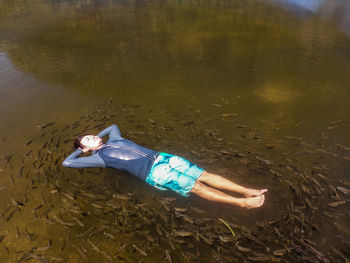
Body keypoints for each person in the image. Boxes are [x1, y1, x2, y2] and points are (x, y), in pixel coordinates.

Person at [62, 124, 267, 208]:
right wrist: (82, 149)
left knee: (204, 174)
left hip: (165, 158)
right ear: (86, 149)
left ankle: (247, 191)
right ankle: (241, 203)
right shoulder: (99, 157)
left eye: (91, 136)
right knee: (196, 187)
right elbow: (67, 162)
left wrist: (96, 137)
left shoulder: (115, 138)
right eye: (87, 141)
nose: (92, 138)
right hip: (154, 172)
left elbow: (113, 125)